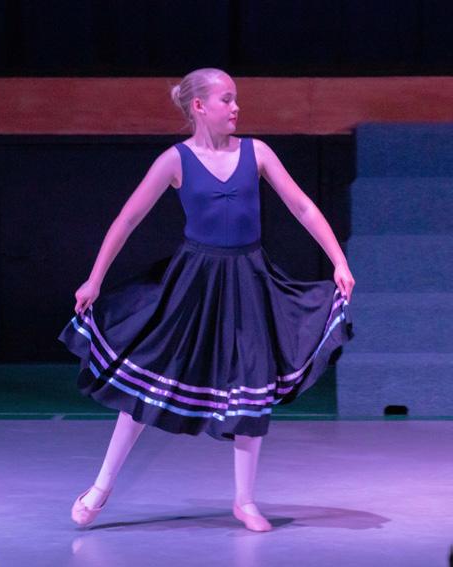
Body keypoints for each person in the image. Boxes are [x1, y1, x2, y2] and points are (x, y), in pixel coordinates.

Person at [58, 67, 355, 532]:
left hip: (248, 280)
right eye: (226, 99)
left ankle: (244, 500)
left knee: (252, 383)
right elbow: (127, 219)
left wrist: (338, 259)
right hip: (193, 282)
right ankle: (101, 486)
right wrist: (94, 280)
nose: (236, 107)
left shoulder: (257, 153)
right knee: (150, 380)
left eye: (236, 99)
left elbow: (302, 206)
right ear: (199, 106)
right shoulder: (175, 161)